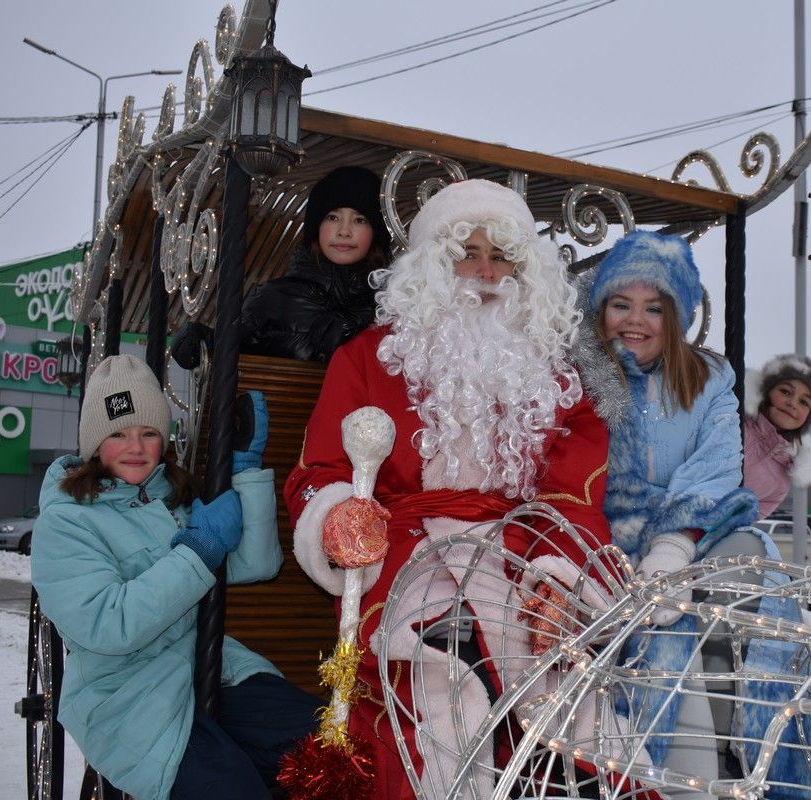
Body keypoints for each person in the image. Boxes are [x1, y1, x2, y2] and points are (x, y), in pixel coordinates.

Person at [284, 179, 620, 800]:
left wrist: (555, 579)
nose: (487, 272)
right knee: (436, 663)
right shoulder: (366, 358)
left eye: (503, 257)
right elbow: (322, 472)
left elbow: (573, 499)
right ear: (432, 267)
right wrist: (336, 518)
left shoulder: (558, 379)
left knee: (554, 674)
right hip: (405, 553)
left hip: (519, 549)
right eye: (468, 253)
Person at [30, 354, 323, 800]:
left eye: (148, 433)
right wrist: (198, 549)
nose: (136, 447)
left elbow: (255, 565)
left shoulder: (172, 497)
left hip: (204, 666)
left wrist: (244, 476)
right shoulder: (66, 522)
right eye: (118, 434)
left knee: (324, 744)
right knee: (230, 789)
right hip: (126, 698)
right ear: (93, 442)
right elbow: (107, 624)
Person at [586, 230, 760, 789]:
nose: (634, 320)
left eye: (653, 307)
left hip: (693, 538)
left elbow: (716, 468)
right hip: (600, 542)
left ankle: (741, 738)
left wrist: (673, 545)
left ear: (675, 316)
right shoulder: (577, 375)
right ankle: (671, 766)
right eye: (621, 304)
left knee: (744, 567)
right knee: (658, 641)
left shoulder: (709, 380)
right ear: (601, 308)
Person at [171, 165, 390, 367]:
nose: (344, 231)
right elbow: (228, 350)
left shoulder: (391, 305)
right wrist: (200, 340)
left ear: (376, 232)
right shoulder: (274, 299)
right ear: (316, 226)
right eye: (332, 217)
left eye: (359, 220)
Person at [741, 353, 811, 519]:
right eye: (786, 392)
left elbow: (742, 523)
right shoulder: (734, 421)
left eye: (804, 402)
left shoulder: (780, 481)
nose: (792, 403)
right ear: (766, 392)